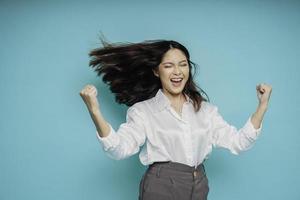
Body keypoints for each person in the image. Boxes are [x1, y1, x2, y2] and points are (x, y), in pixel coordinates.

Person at [79, 37, 272, 200]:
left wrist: (262, 106)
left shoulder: (206, 110)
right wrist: (95, 112)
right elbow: (119, 149)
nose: (177, 72)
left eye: (183, 65)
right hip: (161, 186)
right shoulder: (143, 111)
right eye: (169, 66)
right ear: (156, 71)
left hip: (199, 185)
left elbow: (238, 142)